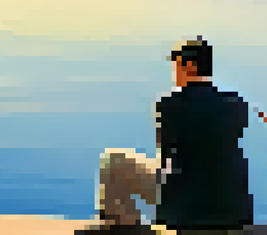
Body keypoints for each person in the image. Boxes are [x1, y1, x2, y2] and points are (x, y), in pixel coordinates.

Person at [95, 37, 251, 233]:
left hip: (185, 211)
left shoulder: (169, 104)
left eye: (177, 66)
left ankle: (121, 225)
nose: (174, 73)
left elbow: (165, 156)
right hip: (232, 210)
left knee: (114, 160)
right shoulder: (236, 103)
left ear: (191, 66)